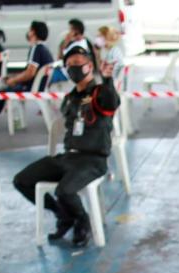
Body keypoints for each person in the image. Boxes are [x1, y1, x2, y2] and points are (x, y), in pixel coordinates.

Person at [12, 45, 119, 247]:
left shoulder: (99, 93)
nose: (73, 68)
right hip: (68, 157)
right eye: (69, 65)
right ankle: (63, 215)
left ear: (89, 66)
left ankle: (83, 221)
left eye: (78, 64)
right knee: (22, 180)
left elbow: (111, 102)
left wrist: (107, 79)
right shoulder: (70, 98)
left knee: (64, 191)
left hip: (93, 160)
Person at [0, 21, 53, 134]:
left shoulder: (36, 48)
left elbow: (30, 73)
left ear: (33, 32)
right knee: (1, 90)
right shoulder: (45, 48)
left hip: (30, 88)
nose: (28, 32)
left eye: (29, 30)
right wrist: (14, 77)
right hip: (37, 86)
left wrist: (13, 80)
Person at [51, 19, 99, 85]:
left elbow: (61, 59)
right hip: (65, 70)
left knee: (47, 76)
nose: (69, 32)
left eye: (70, 30)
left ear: (76, 31)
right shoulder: (75, 42)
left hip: (69, 73)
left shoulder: (79, 46)